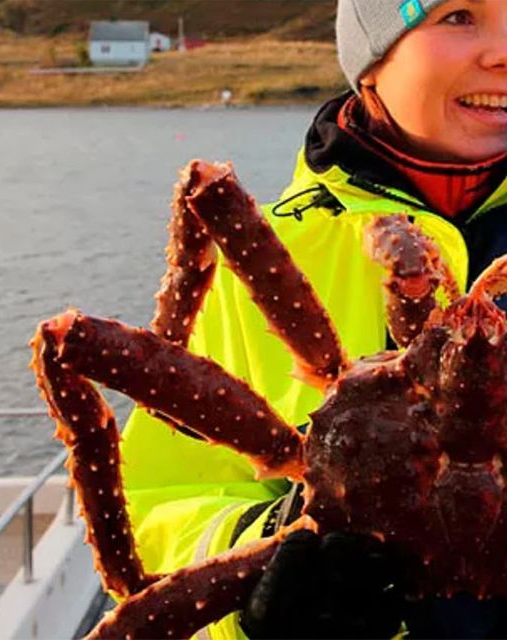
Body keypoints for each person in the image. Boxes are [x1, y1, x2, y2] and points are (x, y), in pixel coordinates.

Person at [119, 0, 507, 637]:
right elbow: (158, 500)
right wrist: (263, 567)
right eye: (459, 15)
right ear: (372, 61)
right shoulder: (262, 262)